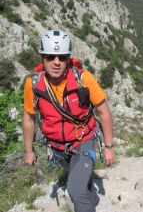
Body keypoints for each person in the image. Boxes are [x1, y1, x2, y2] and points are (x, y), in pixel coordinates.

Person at [23, 30, 115, 212]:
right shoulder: (33, 84)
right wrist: (29, 151)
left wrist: (108, 147)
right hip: (57, 148)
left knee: (75, 190)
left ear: (67, 59)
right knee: (80, 181)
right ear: (42, 57)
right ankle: (91, 197)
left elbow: (104, 112)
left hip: (83, 141)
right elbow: (28, 120)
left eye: (62, 57)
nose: (56, 62)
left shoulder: (83, 79)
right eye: (50, 57)